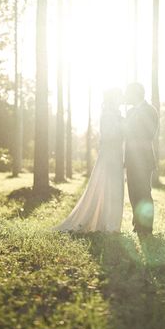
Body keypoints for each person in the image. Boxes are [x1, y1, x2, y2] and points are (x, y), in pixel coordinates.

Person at [54, 89, 125, 232]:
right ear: (113, 98)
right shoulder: (107, 114)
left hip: (117, 154)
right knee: (109, 187)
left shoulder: (118, 114)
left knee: (116, 188)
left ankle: (113, 224)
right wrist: (123, 127)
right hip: (109, 155)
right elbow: (108, 135)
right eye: (119, 96)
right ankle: (108, 224)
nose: (122, 98)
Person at [124, 83, 159, 235]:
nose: (126, 97)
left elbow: (149, 134)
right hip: (131, 159)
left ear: (136, 94)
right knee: (133, 193)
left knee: (144, 192)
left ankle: (147, 228)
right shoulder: (130, 111)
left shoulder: (151, 111)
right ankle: (137, 223)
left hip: (144, 159)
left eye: (128, 93)